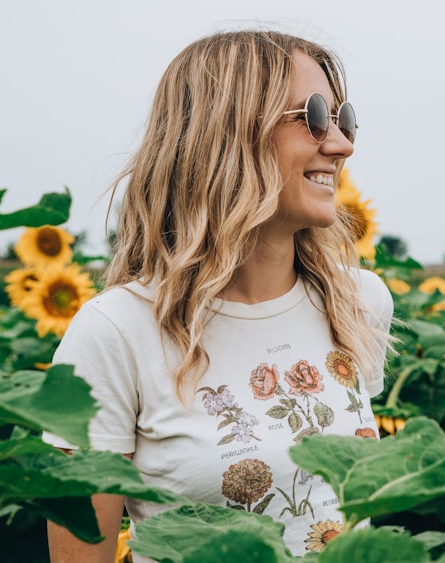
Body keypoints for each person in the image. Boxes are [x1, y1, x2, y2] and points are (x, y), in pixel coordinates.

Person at [43, 29, 394, 562]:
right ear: (225, 133)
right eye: (315, 116)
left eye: (344, 119)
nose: (342, 144)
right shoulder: (115, 332)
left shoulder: (359, 302)